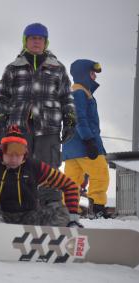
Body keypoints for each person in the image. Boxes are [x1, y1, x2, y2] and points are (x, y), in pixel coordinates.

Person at [0, 23, 77, 208]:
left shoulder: (58, 68)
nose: (36, 42)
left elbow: (66, 97)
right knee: (16, 166)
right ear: (25, 41)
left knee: (48, 169)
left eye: (40, 39)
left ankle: (50, 209)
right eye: (32, 38)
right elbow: (2, 96)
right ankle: (15, 206)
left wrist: (70, 119)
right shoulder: (13, 68)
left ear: (45, 42)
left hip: (49, 128)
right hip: (18, 128)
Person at [62, 60, 110, 218]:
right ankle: (97, 210)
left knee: (71, 181)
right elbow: (80, 118)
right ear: (84, 74)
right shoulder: (80, 92)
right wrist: (89, 140)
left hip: (71, 148)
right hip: (83, 144)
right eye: (92, 73)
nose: (95, 76)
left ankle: (66, 211)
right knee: (100, 174)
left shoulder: (76, 92)